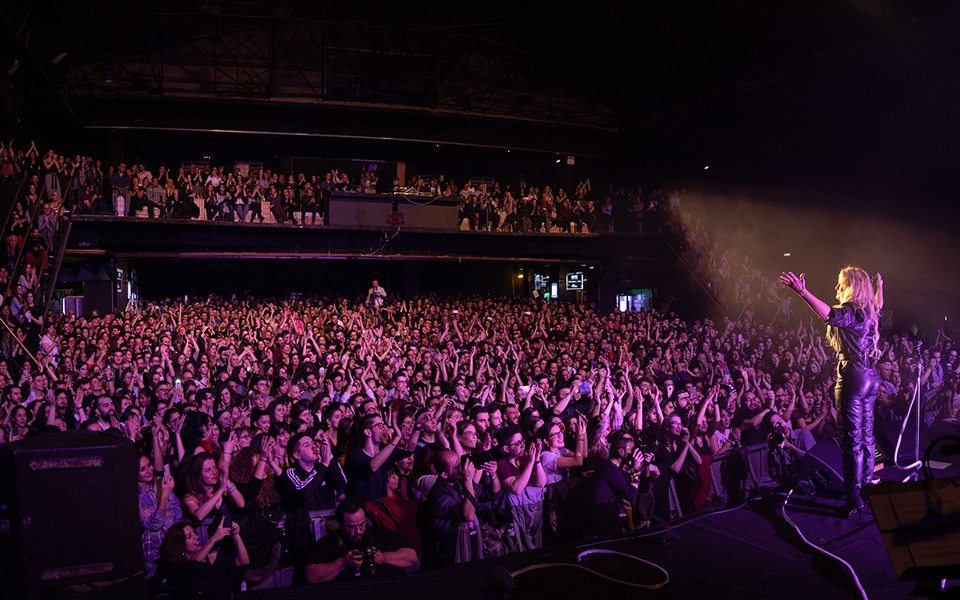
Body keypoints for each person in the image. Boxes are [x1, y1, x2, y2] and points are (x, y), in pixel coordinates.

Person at [781, 267, 882, 516]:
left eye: (841, 284)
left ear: (852, 287)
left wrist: (802, 292)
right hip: (871, 376)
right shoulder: (869, 309)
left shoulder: (850, 311)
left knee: (851, 441)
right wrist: (880, 287)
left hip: (854, 376)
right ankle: (866, 487)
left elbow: (828, 314)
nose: (837, 288)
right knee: (867, 435)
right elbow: (879, 303)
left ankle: (853, 497)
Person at [303, 498, 417, 583]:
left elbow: (412, 556)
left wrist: (383, 557)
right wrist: (342, 563)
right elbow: (311, 575)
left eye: (362, 525)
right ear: (340, 524)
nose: (358, 531)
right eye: (351, 527)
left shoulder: (379, 534)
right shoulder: (330, 542)